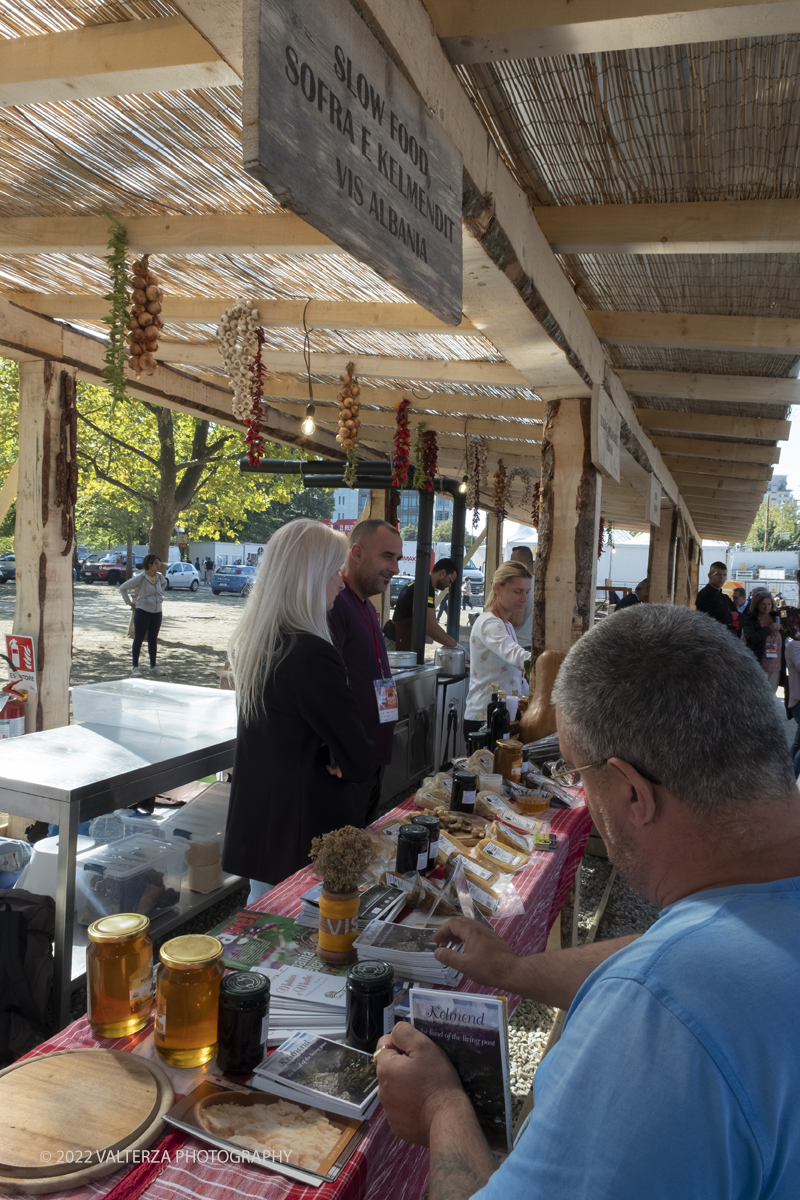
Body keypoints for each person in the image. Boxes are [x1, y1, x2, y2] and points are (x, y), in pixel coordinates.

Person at [375, 604, 800, 1199]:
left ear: (631, 791)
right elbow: (694, 949)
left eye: (581, 776)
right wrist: (512, 970)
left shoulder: (656, 1016)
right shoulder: (734, 928)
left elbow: (670, 981)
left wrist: (441, 1107)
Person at [223, 520, 374, 901]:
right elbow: (358, 758)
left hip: (266, 835)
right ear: (309, 577)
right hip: (303, 844)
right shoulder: (310, 654)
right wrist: (340, 752)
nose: (341, 584)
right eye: (333, 573)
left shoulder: (261, 643)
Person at [328, 519, 403, 825]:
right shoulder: (335, 602)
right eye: (388, 556)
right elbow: (328, 688)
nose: (395, 568)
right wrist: (339, 747)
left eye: (397, 559)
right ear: (356, 552)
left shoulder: (368, 606)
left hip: (371, 755)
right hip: (347, 763)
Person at [464, 561, 531, 736]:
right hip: (484, 718)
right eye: (517, 591)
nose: (524, 599)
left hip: (501, 715)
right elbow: (515, 655)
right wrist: (545, 665)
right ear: (497, 588)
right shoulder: (489, 622)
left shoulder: (505, 624)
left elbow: (517, 675)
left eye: (526, 592)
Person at [386, 558, 459, 652]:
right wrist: (456, 646)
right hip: (396, 642)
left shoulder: (423, 583)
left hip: (398, 638)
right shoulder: (426, 588)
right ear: (442, 573)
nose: (449, 585)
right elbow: (431, 627)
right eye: (451, 580)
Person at [119, 554, 166, 677]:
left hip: (157, 612)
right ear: (149, 564)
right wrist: (130, 603)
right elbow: (123, 588)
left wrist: (159, 598)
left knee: (153, 639)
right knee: (139, 638)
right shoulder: (140, 578)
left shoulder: (160, 577)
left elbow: (163, 585)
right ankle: (135, 667)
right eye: (156, 563)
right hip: (143, 611)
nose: (159, 565)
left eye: (159, 563)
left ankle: (153, 666)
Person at [742, 588, 786, 694]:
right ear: (757, 604)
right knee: (757, 698)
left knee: (771, 698)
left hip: (776, 666)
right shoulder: (750, 619)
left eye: (769, 604)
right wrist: (769, 629)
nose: (766, 607)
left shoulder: (776, 617)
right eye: (763, 604)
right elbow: (751, 639)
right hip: (758, 665)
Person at [695, 560, 738, 633]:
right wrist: (732, 616)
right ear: (709, 576)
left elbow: (740, 617)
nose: (722, 578)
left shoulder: (725, 597)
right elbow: (720, 618)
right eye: (718, 574)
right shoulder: (704, 595)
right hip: (710, 637)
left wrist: (732, 617)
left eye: (724, 575)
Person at [783, 607, 800, 774]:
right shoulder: (794, 645)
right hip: (798, 699)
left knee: (797, 744)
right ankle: (790, 783)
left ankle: (787, 779)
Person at [509, 546, 534, 650]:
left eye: (512, 563)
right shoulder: (543, 583)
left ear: (523, 564)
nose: (510, 567)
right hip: (533, 644)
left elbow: (516, 620)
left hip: (521, 644)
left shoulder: (521, 585)